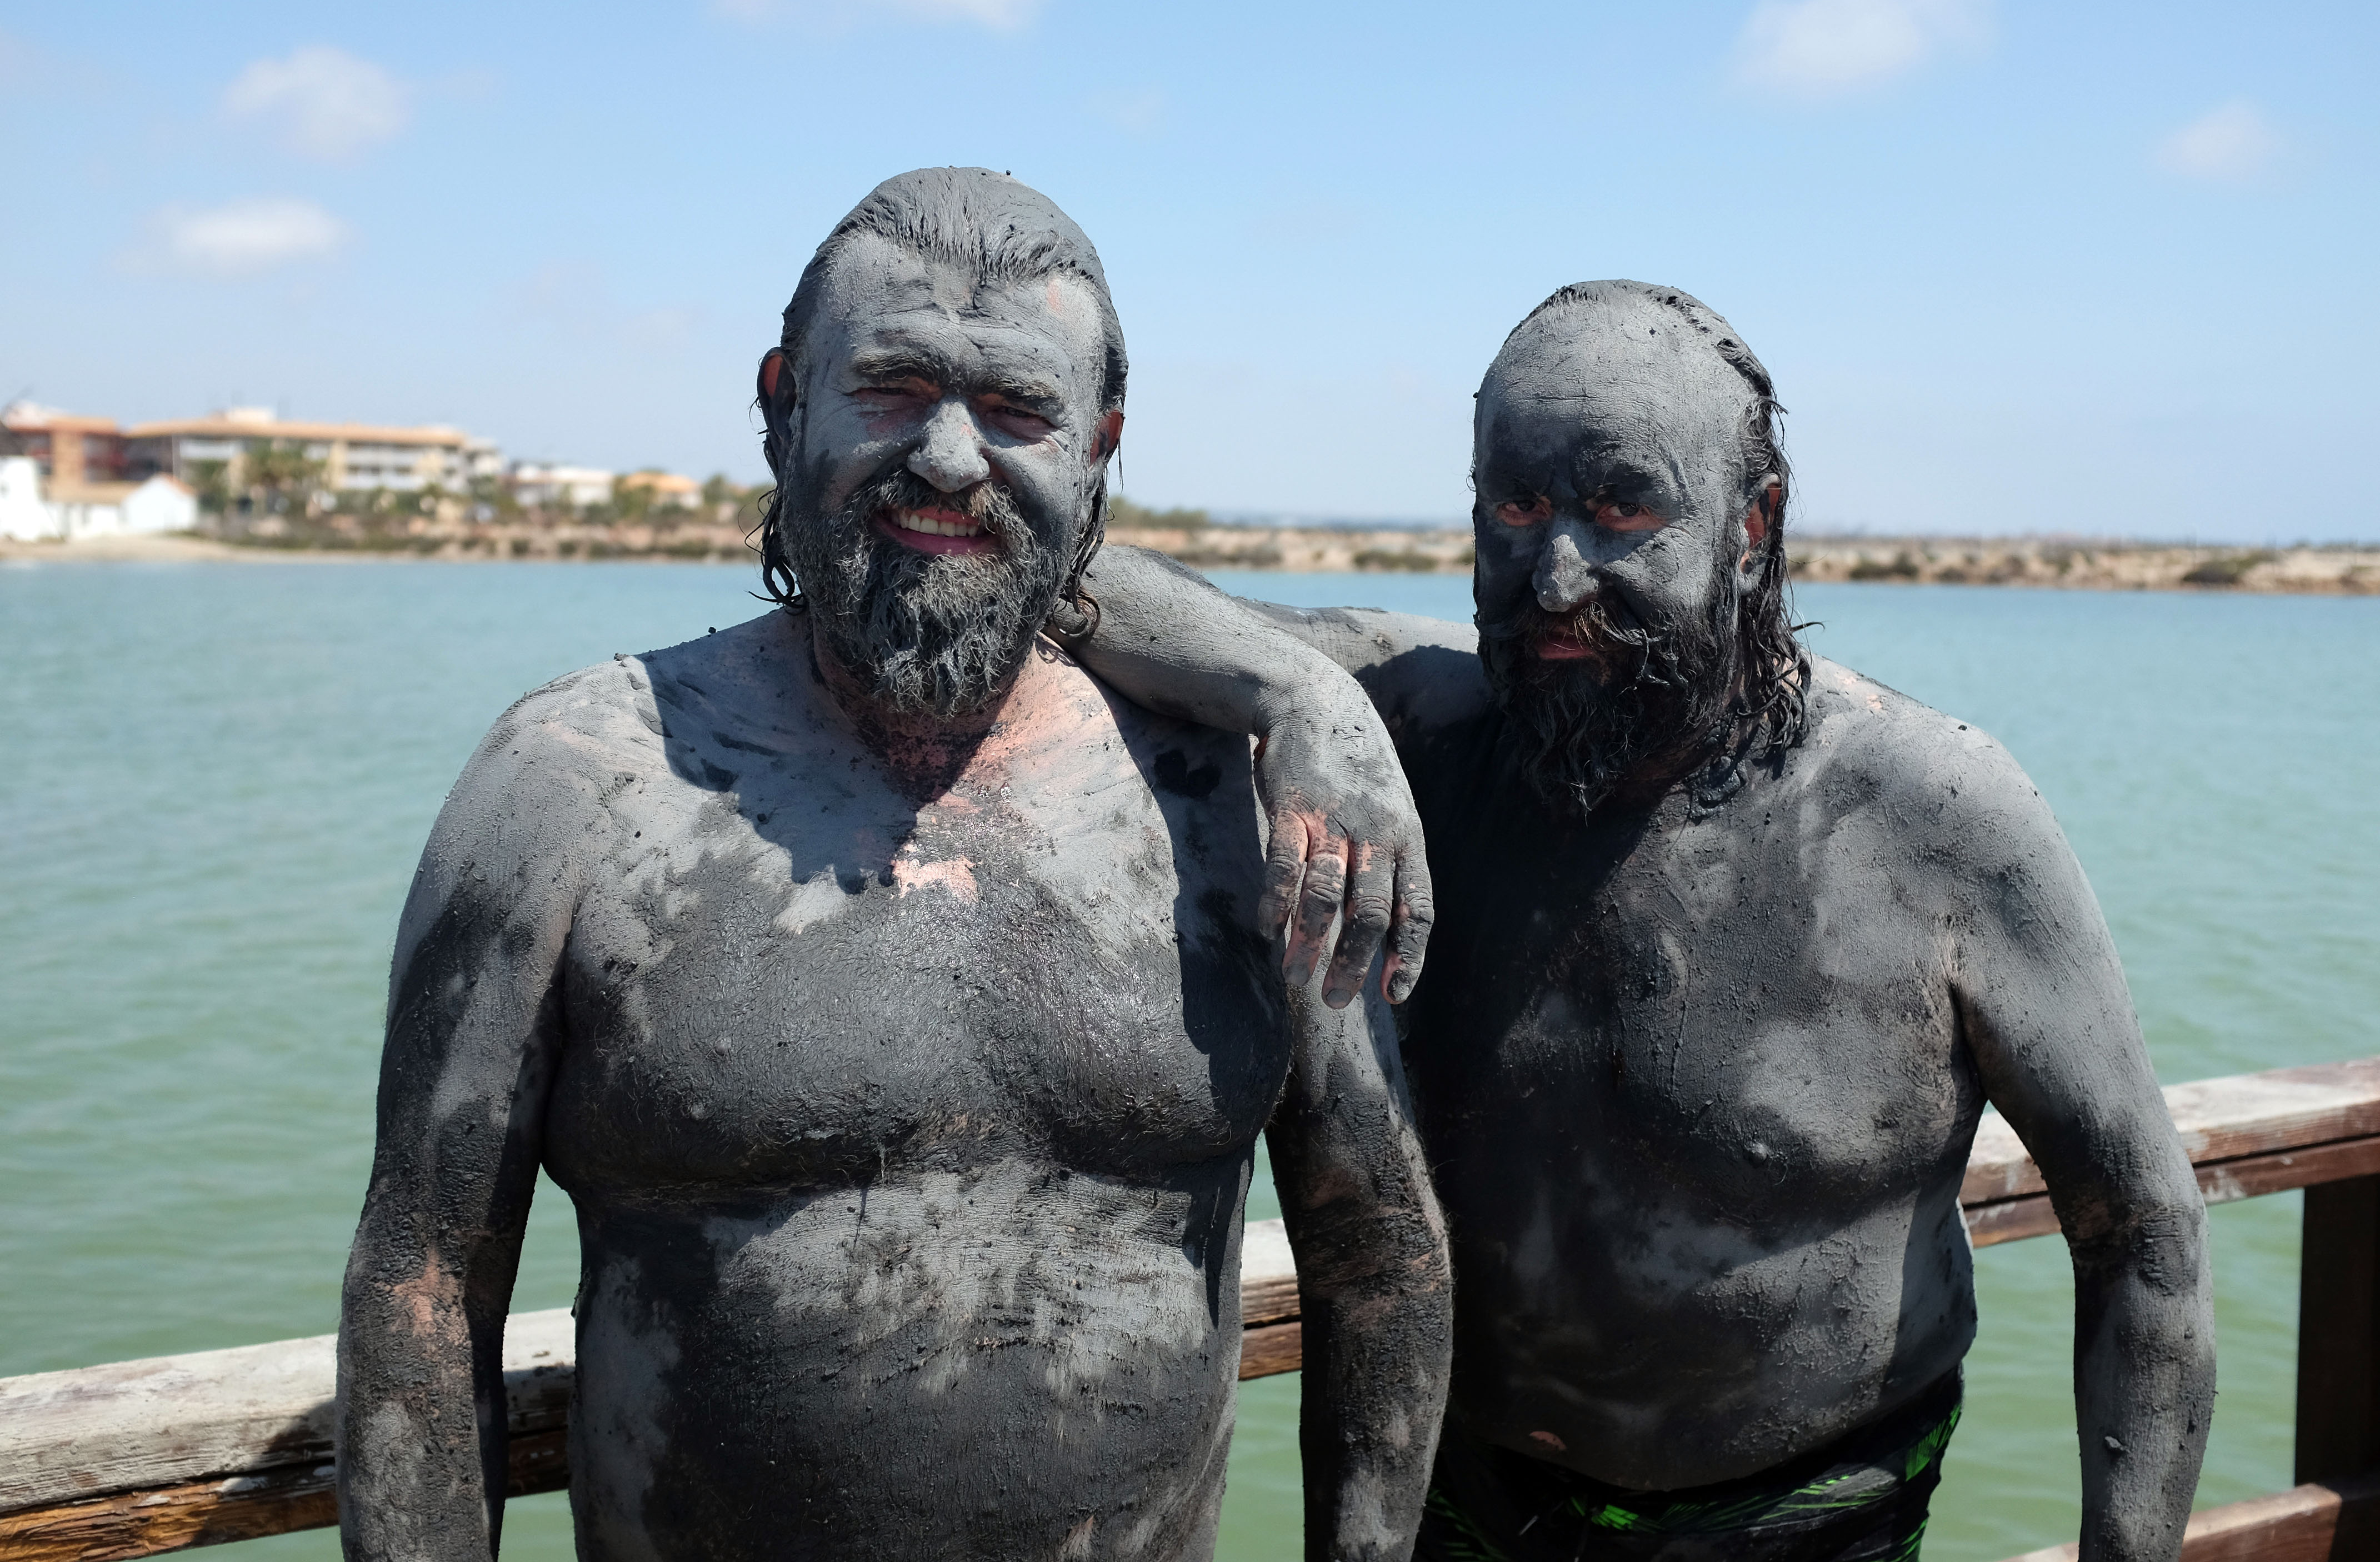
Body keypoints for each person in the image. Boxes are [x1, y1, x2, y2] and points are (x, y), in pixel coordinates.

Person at [335, 168, 1451, 1562]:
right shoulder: (576, 781)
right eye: (892, 387)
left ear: (1100, 447)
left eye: (1019, 412)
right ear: (781, 399)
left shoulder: (1234, 801)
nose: (947, 457)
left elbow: (1377, 1252)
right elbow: (425, 1287)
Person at [1064, 280, 2214, 1561]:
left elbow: (2144, 1234)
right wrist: (1297, 696)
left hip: (1808, 1515)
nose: (1557, 576)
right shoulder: (1421, 729)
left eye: (1623, 511)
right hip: (1462, 1497)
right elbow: (1061, 570)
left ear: (1750, 524)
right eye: (1515, 507)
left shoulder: (1933, 813)